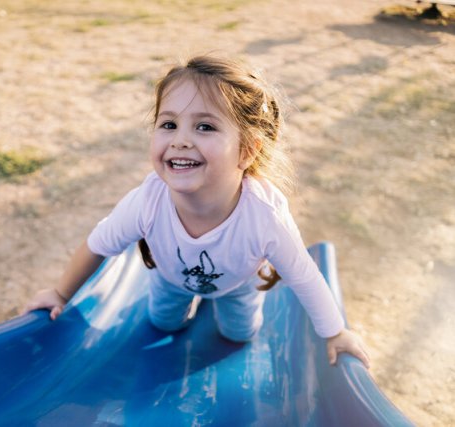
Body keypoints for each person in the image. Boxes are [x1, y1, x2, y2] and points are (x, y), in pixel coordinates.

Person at [22, 54, 370, 368]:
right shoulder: (148, 201)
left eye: (205, 126)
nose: (181, 140)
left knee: (239, 335)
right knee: (162, 324)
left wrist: (335, 332)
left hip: (237, 283)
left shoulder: (264, 217)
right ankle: (187, 305)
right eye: (169, 124)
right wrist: (61, 293)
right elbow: (97, 245)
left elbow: (304, 276)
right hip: (171, 277)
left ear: (247, 151)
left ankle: (221, 308)